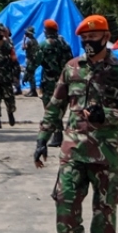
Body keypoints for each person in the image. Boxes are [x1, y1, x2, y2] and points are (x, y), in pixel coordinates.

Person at [34, 15, 118, 233]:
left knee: (104, 209)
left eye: (93, 38)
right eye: (84, 39)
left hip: (106, 152)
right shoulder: (71, 68)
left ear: (106, 37)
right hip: (73, 150)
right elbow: (55, 105)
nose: (88, 43)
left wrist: (108, 114)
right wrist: (42, 140)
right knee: (65, 202)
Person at [36, 19, 73, 147]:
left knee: (51, 107)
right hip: (64, 81)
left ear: (46, 31)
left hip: (49, 82)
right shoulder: (65, 44)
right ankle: (59, 133)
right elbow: (71, 61)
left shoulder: (43, 45)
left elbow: (35, 61)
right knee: (61, 106)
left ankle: (58, 135)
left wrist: (28, 73)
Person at [0, 24, 20, 129]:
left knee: (9, 99)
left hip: (6, 78)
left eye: (0, 32)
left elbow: (15, 62)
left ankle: (10, 114)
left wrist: (16, 76)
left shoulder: (8, 47)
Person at [22, 26, 40, 97]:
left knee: (30, 75)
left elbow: (23, 48)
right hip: (34, 60)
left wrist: (24, 39)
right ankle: (32, 90)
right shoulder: (35, 40)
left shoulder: (29, 41)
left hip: (30, 60)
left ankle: (33, 91)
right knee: (31, 75)